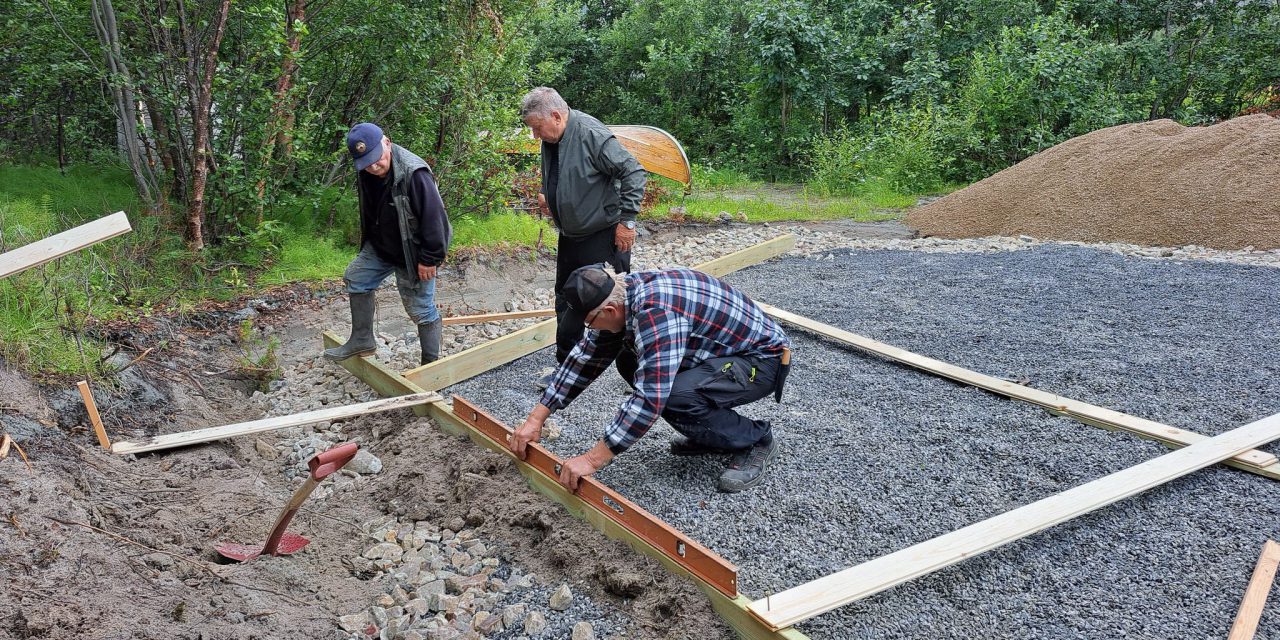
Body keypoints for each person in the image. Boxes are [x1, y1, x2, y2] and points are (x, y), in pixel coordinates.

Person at [508, 264, 791, 493]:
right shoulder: (624, 296)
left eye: (589, 323)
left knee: (675, 397)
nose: (589, 329)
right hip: (718, 352)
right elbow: (586, 359)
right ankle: (715, 434)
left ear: (608, 311)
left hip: (762, 361)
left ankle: (756, 440)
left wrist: (592, 460)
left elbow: (650, 396)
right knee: (629, 360)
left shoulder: (656, 312)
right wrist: (536, 418)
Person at [519, 87, 647, 388]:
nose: (536, 136)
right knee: (564, 296)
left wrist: (627, 221)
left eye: (537, 128)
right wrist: (548, 193)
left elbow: (633, 172)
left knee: (610, 301)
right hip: (572, 234)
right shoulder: (553, 137)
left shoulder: (591, 134)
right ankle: (569, 365)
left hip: (601, 234)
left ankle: (637, 364)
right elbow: (562, 173)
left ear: (555, 115)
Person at [324, 122, 452, 365]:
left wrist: (430, 259)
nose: (373, 166)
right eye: (366, 162)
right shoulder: (366, 168)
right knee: (356, 277)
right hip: (383, 245)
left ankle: (431, 365)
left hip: (414, 252)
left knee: (420, 308)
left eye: (377, 158)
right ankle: (362, 339)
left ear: (387, 142)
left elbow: (435, 220)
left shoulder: (415, 174)